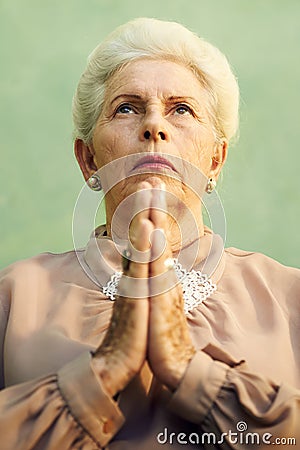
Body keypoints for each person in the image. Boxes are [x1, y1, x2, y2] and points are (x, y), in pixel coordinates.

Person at [0, 17, 299, 450]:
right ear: (88, 161)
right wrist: (99, 374)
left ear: (215, 160)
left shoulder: (288, 299)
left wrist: (192, 373)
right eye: (127, 108)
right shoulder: (14, 297)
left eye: (181, 109)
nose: (154, 127)